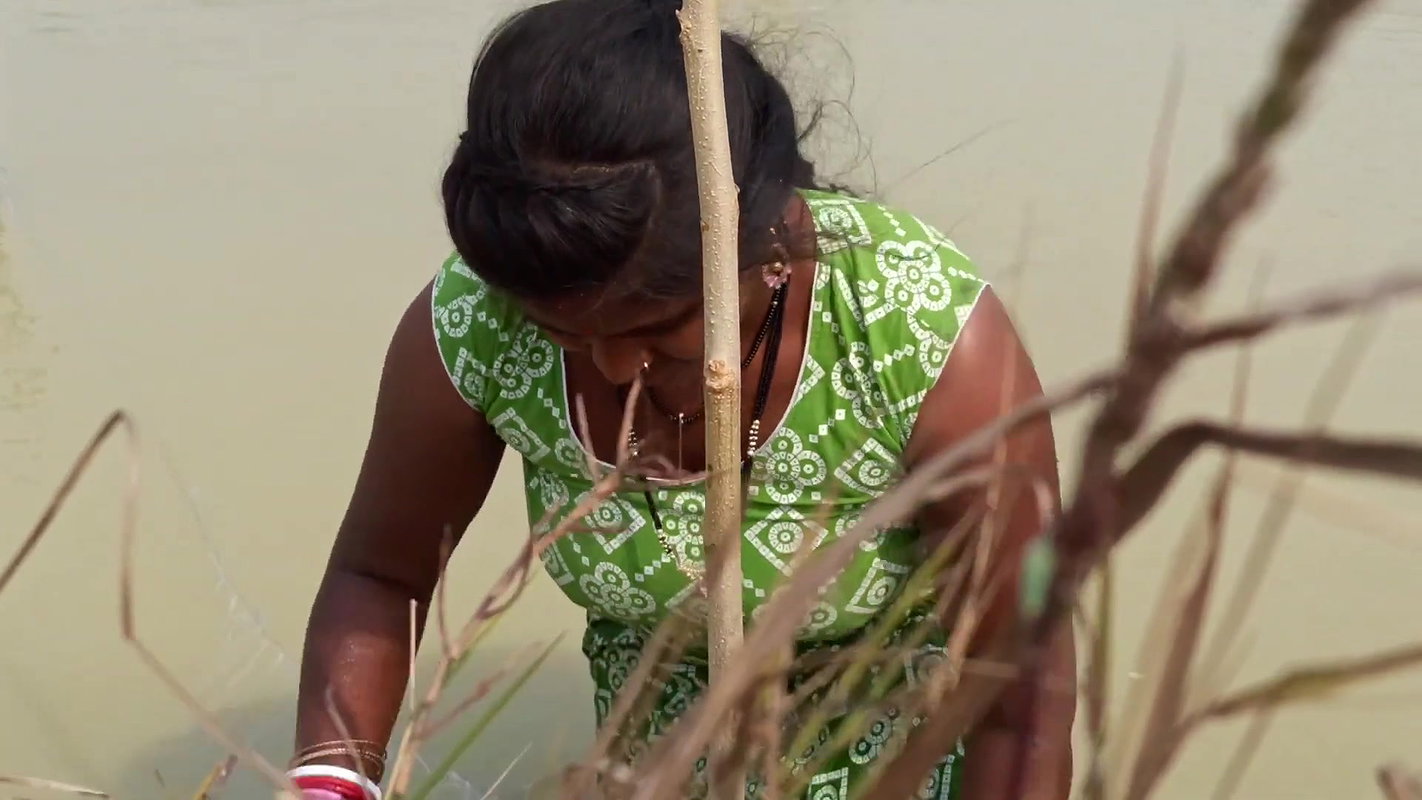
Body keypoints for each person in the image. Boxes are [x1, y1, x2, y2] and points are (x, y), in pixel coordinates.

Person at [291, 0, 1076, 798]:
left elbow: (1022, 692)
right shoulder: (477, 324)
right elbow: (382, 581)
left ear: (767, 249)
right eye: (565, 334)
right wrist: (330, 782)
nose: (615, 363)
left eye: (662, 330)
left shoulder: (919, 333)